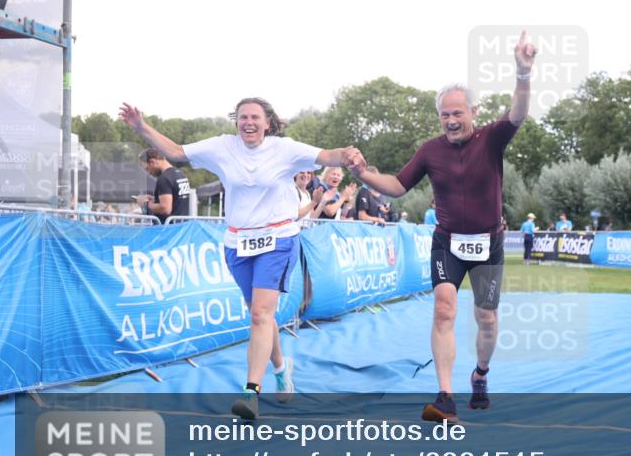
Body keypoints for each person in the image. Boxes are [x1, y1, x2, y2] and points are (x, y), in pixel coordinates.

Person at [119, 98, 364, 420]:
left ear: (267, 123)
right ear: (237, 121)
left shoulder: (285, 149)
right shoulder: (223, 147)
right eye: (243, 117)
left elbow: (325, 156)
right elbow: (177, 152)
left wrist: (346, 155)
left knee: (261, 314)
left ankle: (251, 393)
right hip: (237, 242)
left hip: (277, 239)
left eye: (255, 118)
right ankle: (280, 366)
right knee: (259, 314)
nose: (248, 123)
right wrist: (141, 126)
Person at [352, 30, 537, 422]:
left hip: (489, 244)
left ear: (472, 112)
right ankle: (445, 396)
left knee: (486, 318)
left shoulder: (491, 138)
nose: (452, 120)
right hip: (447, 243)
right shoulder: (430, 150)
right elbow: (398, 187)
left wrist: (523, 73)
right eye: (445, 115)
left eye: (458, 113)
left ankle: (481, 374)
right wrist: (364, 173)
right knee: (444, 307)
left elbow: (518, 113)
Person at [137, 147, 191, 224]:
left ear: (152, 162)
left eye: (147, 169)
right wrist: (155, 199)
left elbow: (165, 208)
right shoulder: (180, 174)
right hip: (181, 227)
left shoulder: (164, 178)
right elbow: (177, 200)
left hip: (168, 229)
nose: (148, 173)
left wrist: (146, 204)